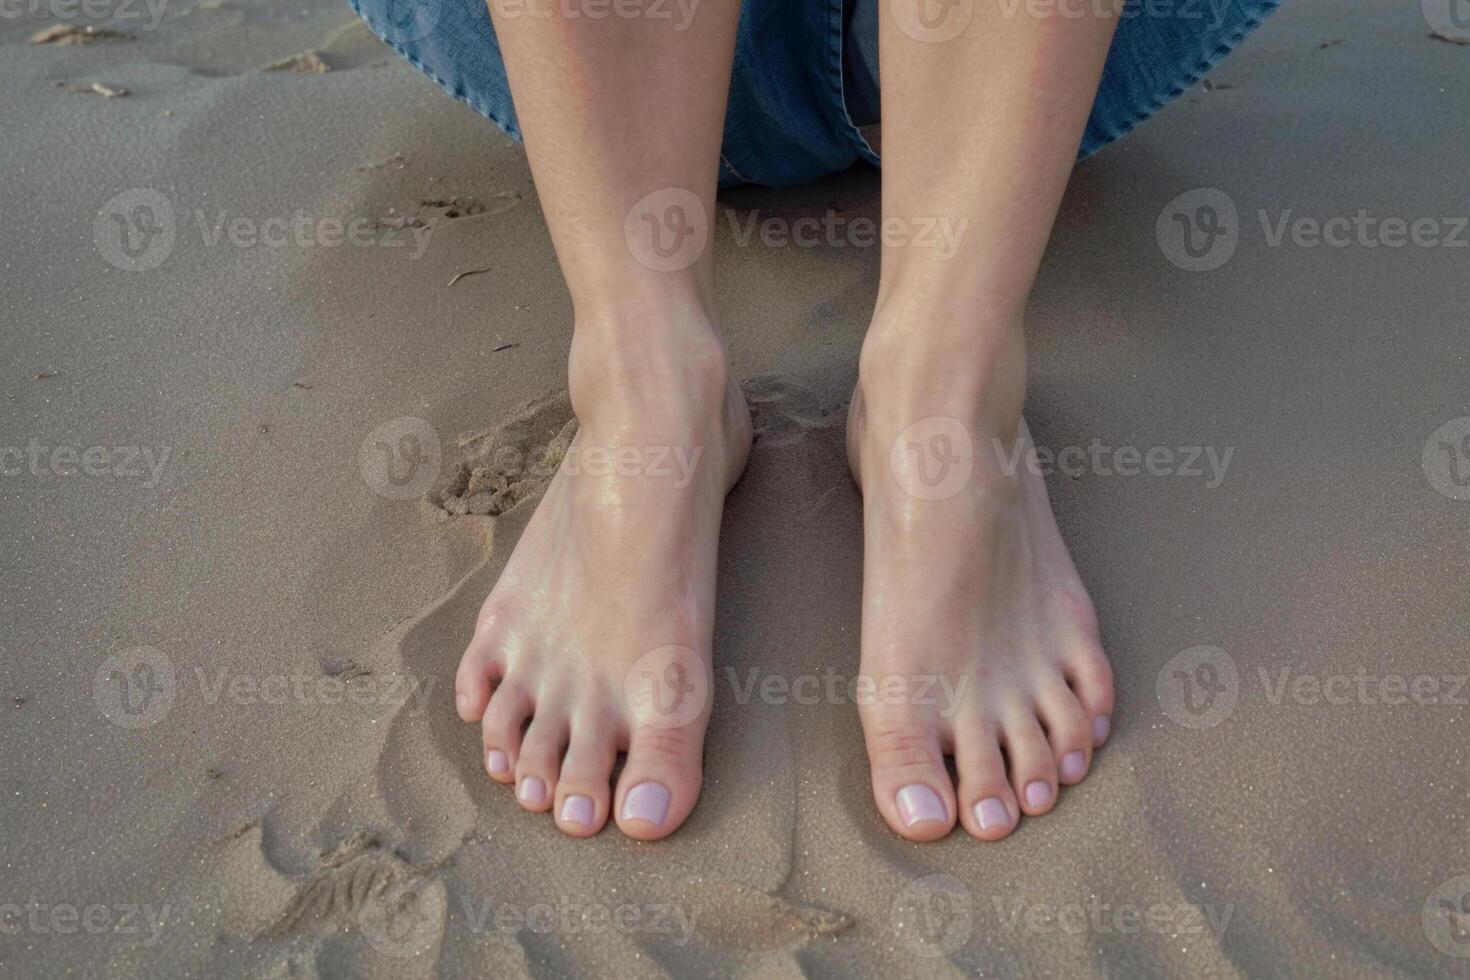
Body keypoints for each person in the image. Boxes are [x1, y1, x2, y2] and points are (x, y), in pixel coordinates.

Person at [353, 0, 1277, 841]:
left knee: (943, 386)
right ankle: (645, 387)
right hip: (580, 72)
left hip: (1036, 72)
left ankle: (941, 388)